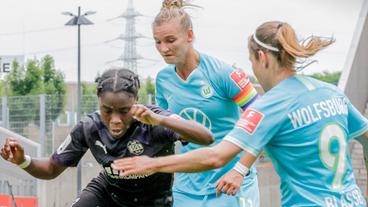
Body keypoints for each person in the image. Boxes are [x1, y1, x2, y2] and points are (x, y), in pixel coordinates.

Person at [112, 21, 368, 206]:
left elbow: (215, 157)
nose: (252, 70)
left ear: (262, 58)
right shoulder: (330, 92)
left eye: (252, 62)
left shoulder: (268, 105)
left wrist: (152, 164)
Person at [0, 68, 213, 207]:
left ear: (136, 101)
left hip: (153, 201)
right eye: (107, 110)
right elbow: (51, 169)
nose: (115, 119)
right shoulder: (89, 127)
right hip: (108, 194)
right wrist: (22, 160)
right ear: (98, 103)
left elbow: (205, 137)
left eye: (123, 110)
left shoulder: (154, 121)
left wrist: (160, 120)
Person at [139, 0, 261, 206]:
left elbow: (263, 121)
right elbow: (166, 132)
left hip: (230, 183)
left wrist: (240, 170)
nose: (163, 48)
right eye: (157, 42)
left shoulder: (224, 74)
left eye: (170, 40)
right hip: (187, 187)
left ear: (189, 35)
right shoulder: (163, 80)